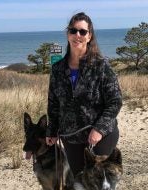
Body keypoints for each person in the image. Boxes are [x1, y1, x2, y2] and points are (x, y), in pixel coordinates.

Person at [46, 12, 122, 177]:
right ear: (68, 34)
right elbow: (53, 104)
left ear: (89, 36)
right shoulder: (57, 69)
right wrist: (52, 130)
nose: (77, 35)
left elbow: (115, 101)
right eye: (73, 31)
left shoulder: (101, 66)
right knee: (80, 181)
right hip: (70, 136)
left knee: (99, 180)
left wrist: (99, 129)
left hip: (100, 137)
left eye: (82, 31)